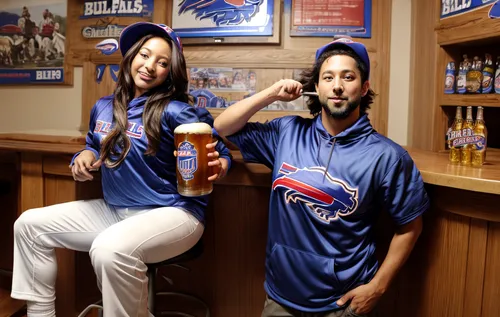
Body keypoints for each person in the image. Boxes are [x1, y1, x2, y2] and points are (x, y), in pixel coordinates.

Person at [11, 22, 231, 317]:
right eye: (144, 55)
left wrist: (222, 164)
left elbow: (221, 151)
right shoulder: (104, 106)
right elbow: (92, 143)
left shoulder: (176, 110)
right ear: (130, 57)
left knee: (109, 249)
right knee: (29, 225)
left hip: (175, 212)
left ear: (170, 72)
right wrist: (84, 155)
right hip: (116, 210)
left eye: (162, 62)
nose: (150, 66)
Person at [214, 37, 429, 317]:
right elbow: (222, 127)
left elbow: (410, 227)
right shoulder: (287, 132)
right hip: (280, 299)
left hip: (341, 305)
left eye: (348, 77)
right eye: (328, 77)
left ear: (364, 88)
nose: (337, 85)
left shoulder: (387, 156)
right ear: (316, 87)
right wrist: (271, 94)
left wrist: (378, 287)